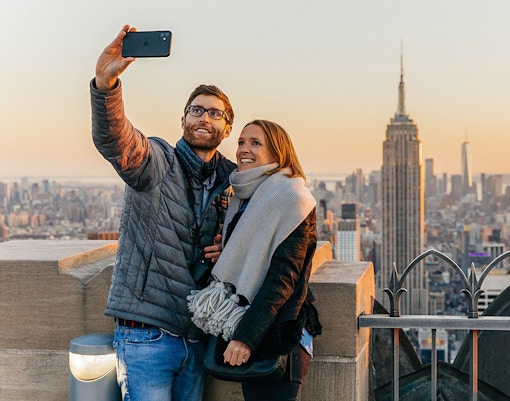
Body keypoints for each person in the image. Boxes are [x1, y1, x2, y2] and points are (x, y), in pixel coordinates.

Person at [90, 25, 236, 401]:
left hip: (197, 336)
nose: (204, 118)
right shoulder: (158, 161)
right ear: (183, 120)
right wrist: (106, 86)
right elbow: (118, 141)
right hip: (146, 334)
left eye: (215, 114)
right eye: (196, 110)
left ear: (227, 127)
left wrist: (230, 249)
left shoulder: (234, 181)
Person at [188, 119, 322, 401]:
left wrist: (245, 338)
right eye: (240, 142)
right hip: (252, 324)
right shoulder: (246, 196)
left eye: (255, 143)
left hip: (277, 333)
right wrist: (229, 253)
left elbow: (282, 279)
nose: (243, 149)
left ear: (277, 153)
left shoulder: (291, 197)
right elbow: (256, 256)